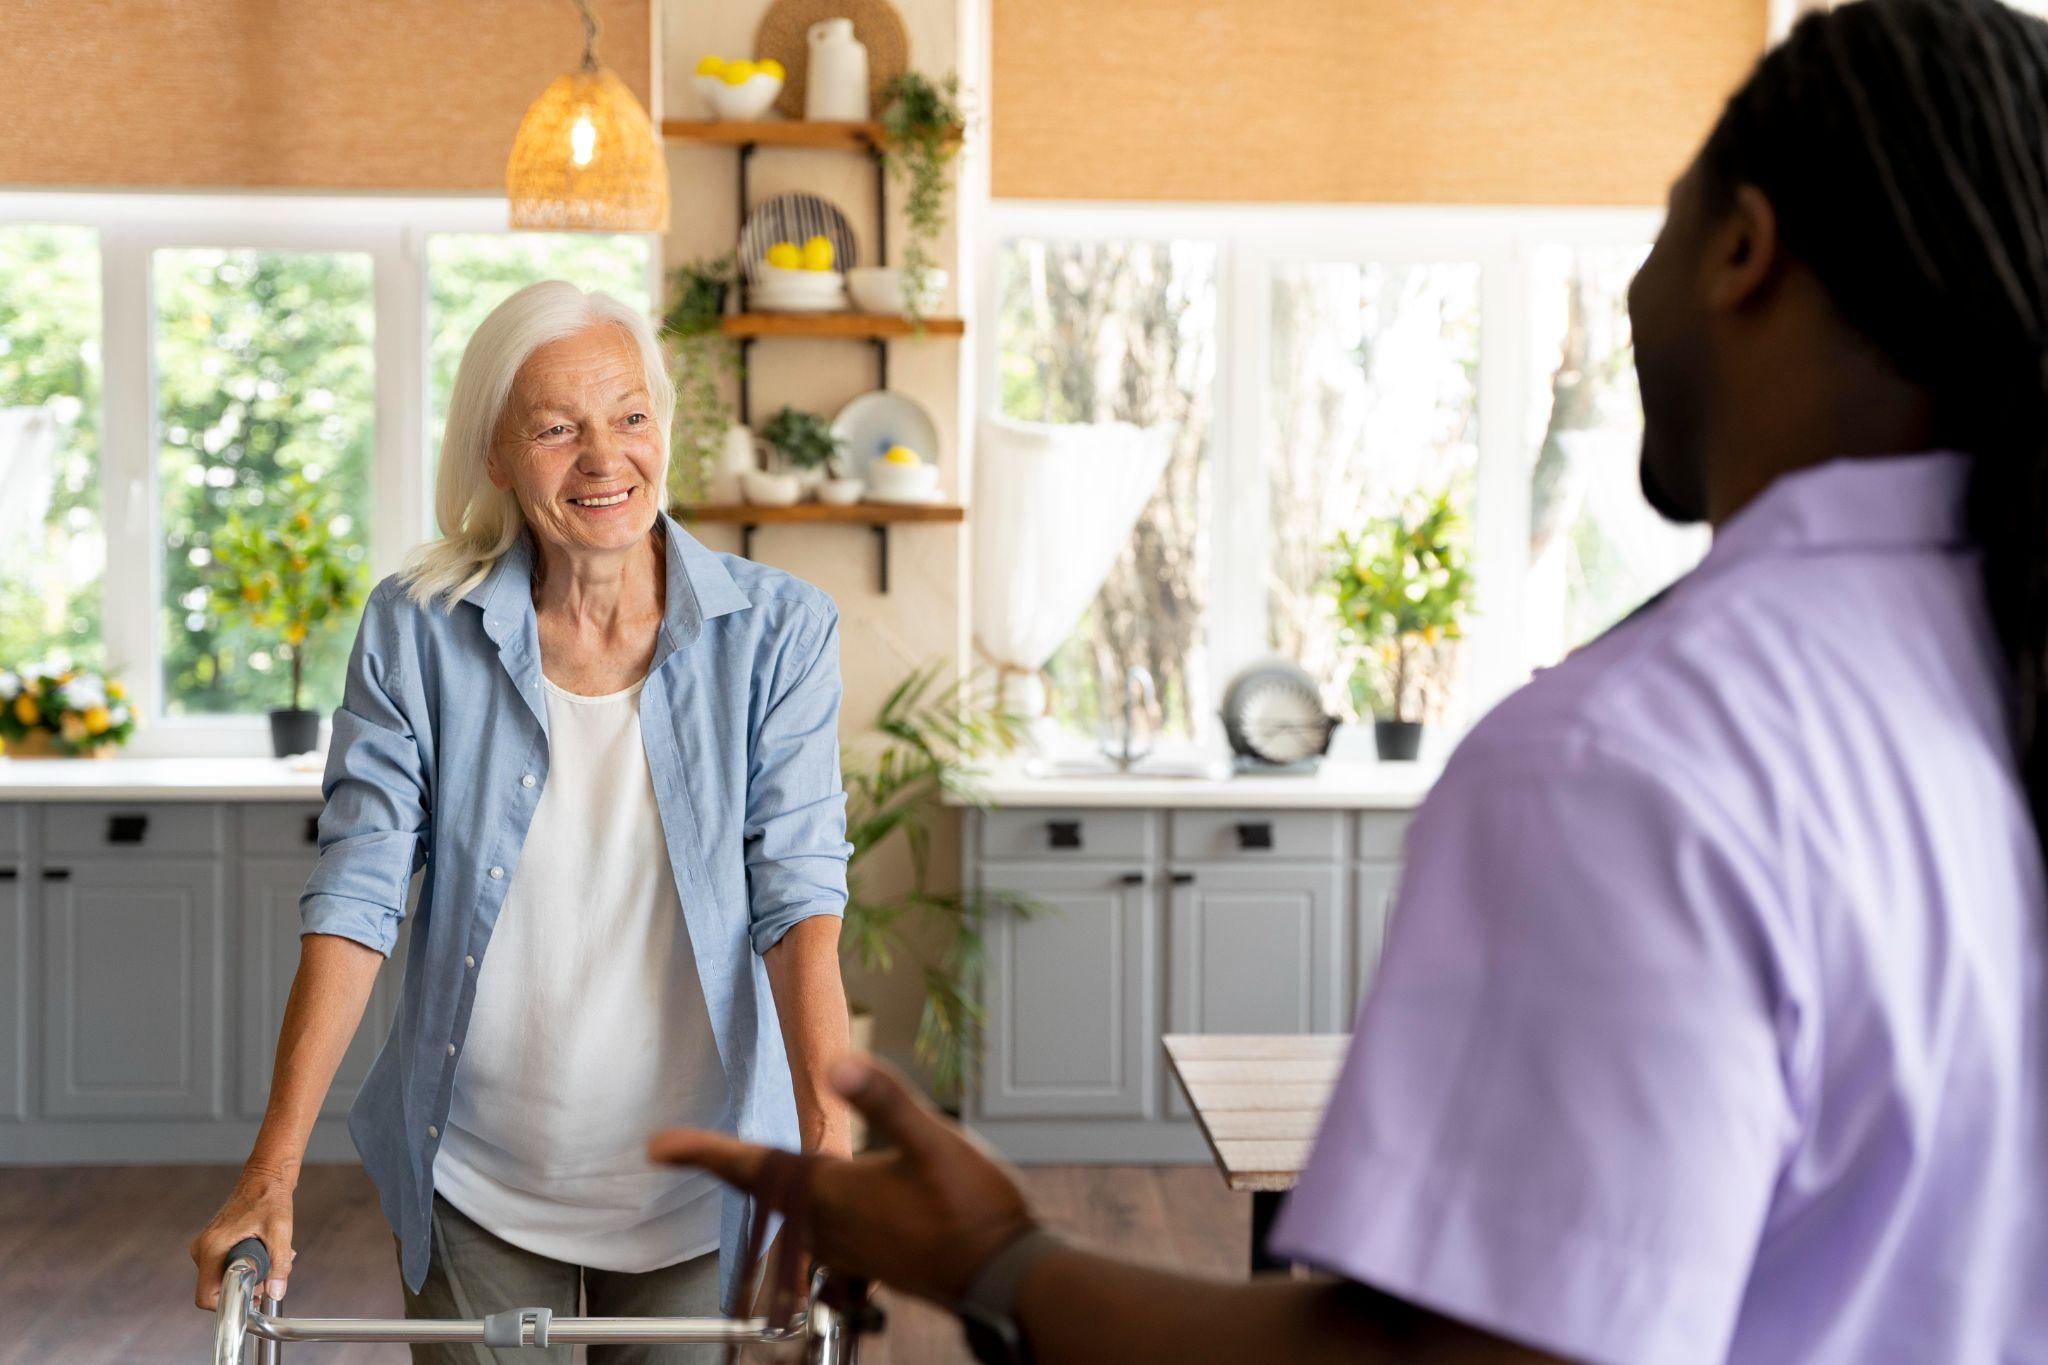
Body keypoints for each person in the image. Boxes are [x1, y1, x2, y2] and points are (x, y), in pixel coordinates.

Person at [650, 2, 2048, 1361]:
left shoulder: (1638, 758)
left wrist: (1000, 1262)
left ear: (1744, 249)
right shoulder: (1982, 684)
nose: (1635, 292)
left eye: (1662, 224)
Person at [189, 281, 856, 1363]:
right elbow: (355, 898)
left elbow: (797, 896)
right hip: (477, 1186)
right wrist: (271, 1172)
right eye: (556, 429)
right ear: (495, 456)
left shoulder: (777, 635)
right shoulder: (416, 631)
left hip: (700, 1197)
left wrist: (827, 1148)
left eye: (629, 417)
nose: (604, 458)